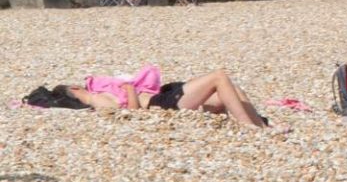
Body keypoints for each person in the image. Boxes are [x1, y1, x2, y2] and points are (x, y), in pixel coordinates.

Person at [48, 65, 270, 129]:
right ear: (74, 90)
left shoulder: (97, 93)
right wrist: (128, 89)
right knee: (219, 77)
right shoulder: (95, 100)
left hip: (166, 95)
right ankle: (249, 127)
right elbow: (130, 111)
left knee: (229, 89)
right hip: (163, 103)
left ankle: (261, 125)